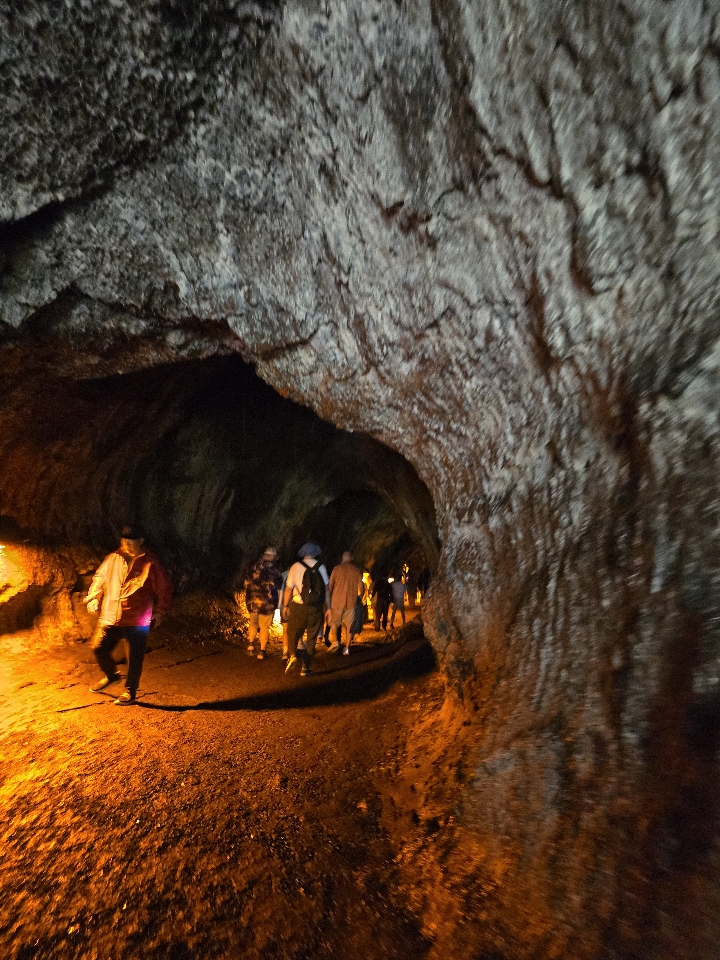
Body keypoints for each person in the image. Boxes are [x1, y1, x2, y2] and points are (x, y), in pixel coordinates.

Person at [85, 524, 172, 705]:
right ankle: (112, 675)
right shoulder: (113, 558)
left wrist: (160, 611)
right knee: (99, 647)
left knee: (134, 657)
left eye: (131, 542)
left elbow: (163, 587)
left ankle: (130, 691)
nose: (127, 545)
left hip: (137, 619)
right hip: (113, 616)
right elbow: (99, 578)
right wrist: (93, 598)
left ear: (141, 541)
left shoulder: (150, 562)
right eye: (124, 542)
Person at [281, 543, 330, 677]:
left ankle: (292, 655)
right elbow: (326, 590)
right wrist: (329, 609)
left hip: (298, 606)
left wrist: (285, 606)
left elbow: (288, 589)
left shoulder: (295, 567)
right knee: (311, 637)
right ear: (315, 553)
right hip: (315, 607)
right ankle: (306, 667)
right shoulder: (321, 567)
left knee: (293, 632)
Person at [243, 547, 283, 659]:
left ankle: (251, 644)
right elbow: (279, 586)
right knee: (264, 626)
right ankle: (262, 651)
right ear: (272, 557)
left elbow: (246, 583)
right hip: (267, 603)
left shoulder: (252, 567)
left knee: (253, 623)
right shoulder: (275, 571)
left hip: (253, 601)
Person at [327, 551, 364, 654]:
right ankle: (347, 649)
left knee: (334, 623)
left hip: (337, 601)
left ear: (342, 558)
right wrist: (360, 596)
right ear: (351, 558)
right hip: (351, 602)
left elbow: (330, 585)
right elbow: (361, 586)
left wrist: (328, 597)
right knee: (349, 626)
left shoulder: (336, 569)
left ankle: (335, 642)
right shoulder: (356, 570)